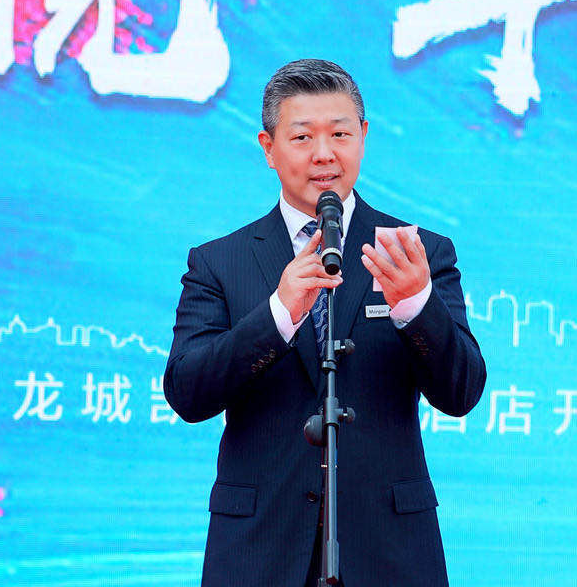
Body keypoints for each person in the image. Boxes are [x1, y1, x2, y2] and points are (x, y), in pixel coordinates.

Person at [165, 59, 486, 587]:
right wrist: (278, 313)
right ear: (268, 148)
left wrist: (416, 306)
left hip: (389, 552)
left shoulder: (415, 252)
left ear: (363, 137)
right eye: (302, 137)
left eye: (339, 134)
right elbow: (187, 393)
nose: (324, 153)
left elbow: (462, 392)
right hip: (258, 552)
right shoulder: (219, 262)